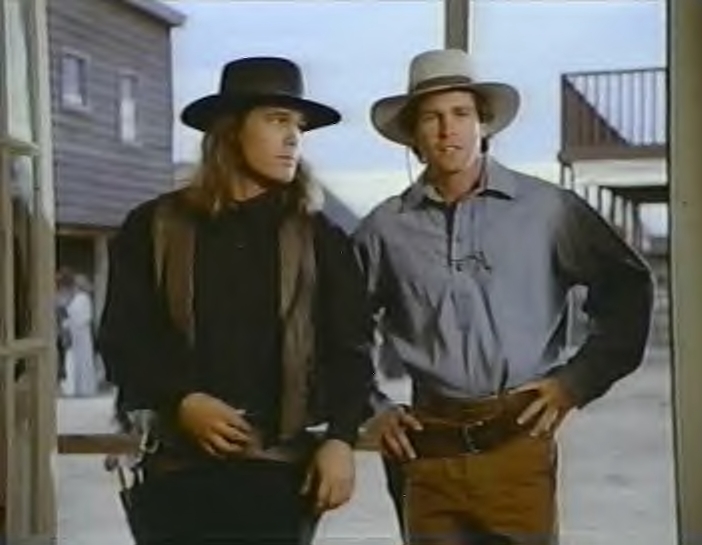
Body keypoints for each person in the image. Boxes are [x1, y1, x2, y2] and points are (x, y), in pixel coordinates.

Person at [354, 49, 654, 545]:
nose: (447, 130)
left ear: (483, 124)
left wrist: (576, 381)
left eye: (460, 114)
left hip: (517, 441)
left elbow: (627, 286)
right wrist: (373, 406)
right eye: (431, 117)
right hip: (426, 448)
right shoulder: (385, 228)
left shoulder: (548, 210)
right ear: (413, 136)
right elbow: (338, 328)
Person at [97, 56, 374, 545]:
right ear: (230, 131)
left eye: (298, 126)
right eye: (277, 120)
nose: (293, 138)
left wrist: (340, 439)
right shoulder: (154, 227)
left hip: (278, 478)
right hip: (176, 475)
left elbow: (351, 351)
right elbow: (124, 339)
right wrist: (181, 400)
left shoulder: (320, 238)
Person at [60, 273, 98, 397]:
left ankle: (82, 387)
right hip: (77, 335)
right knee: (76, 360)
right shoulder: (77, 298)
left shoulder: (82, 298)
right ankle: (79, 386)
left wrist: (67, 320)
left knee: (79, 361)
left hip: (80, 335)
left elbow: (83, 317)